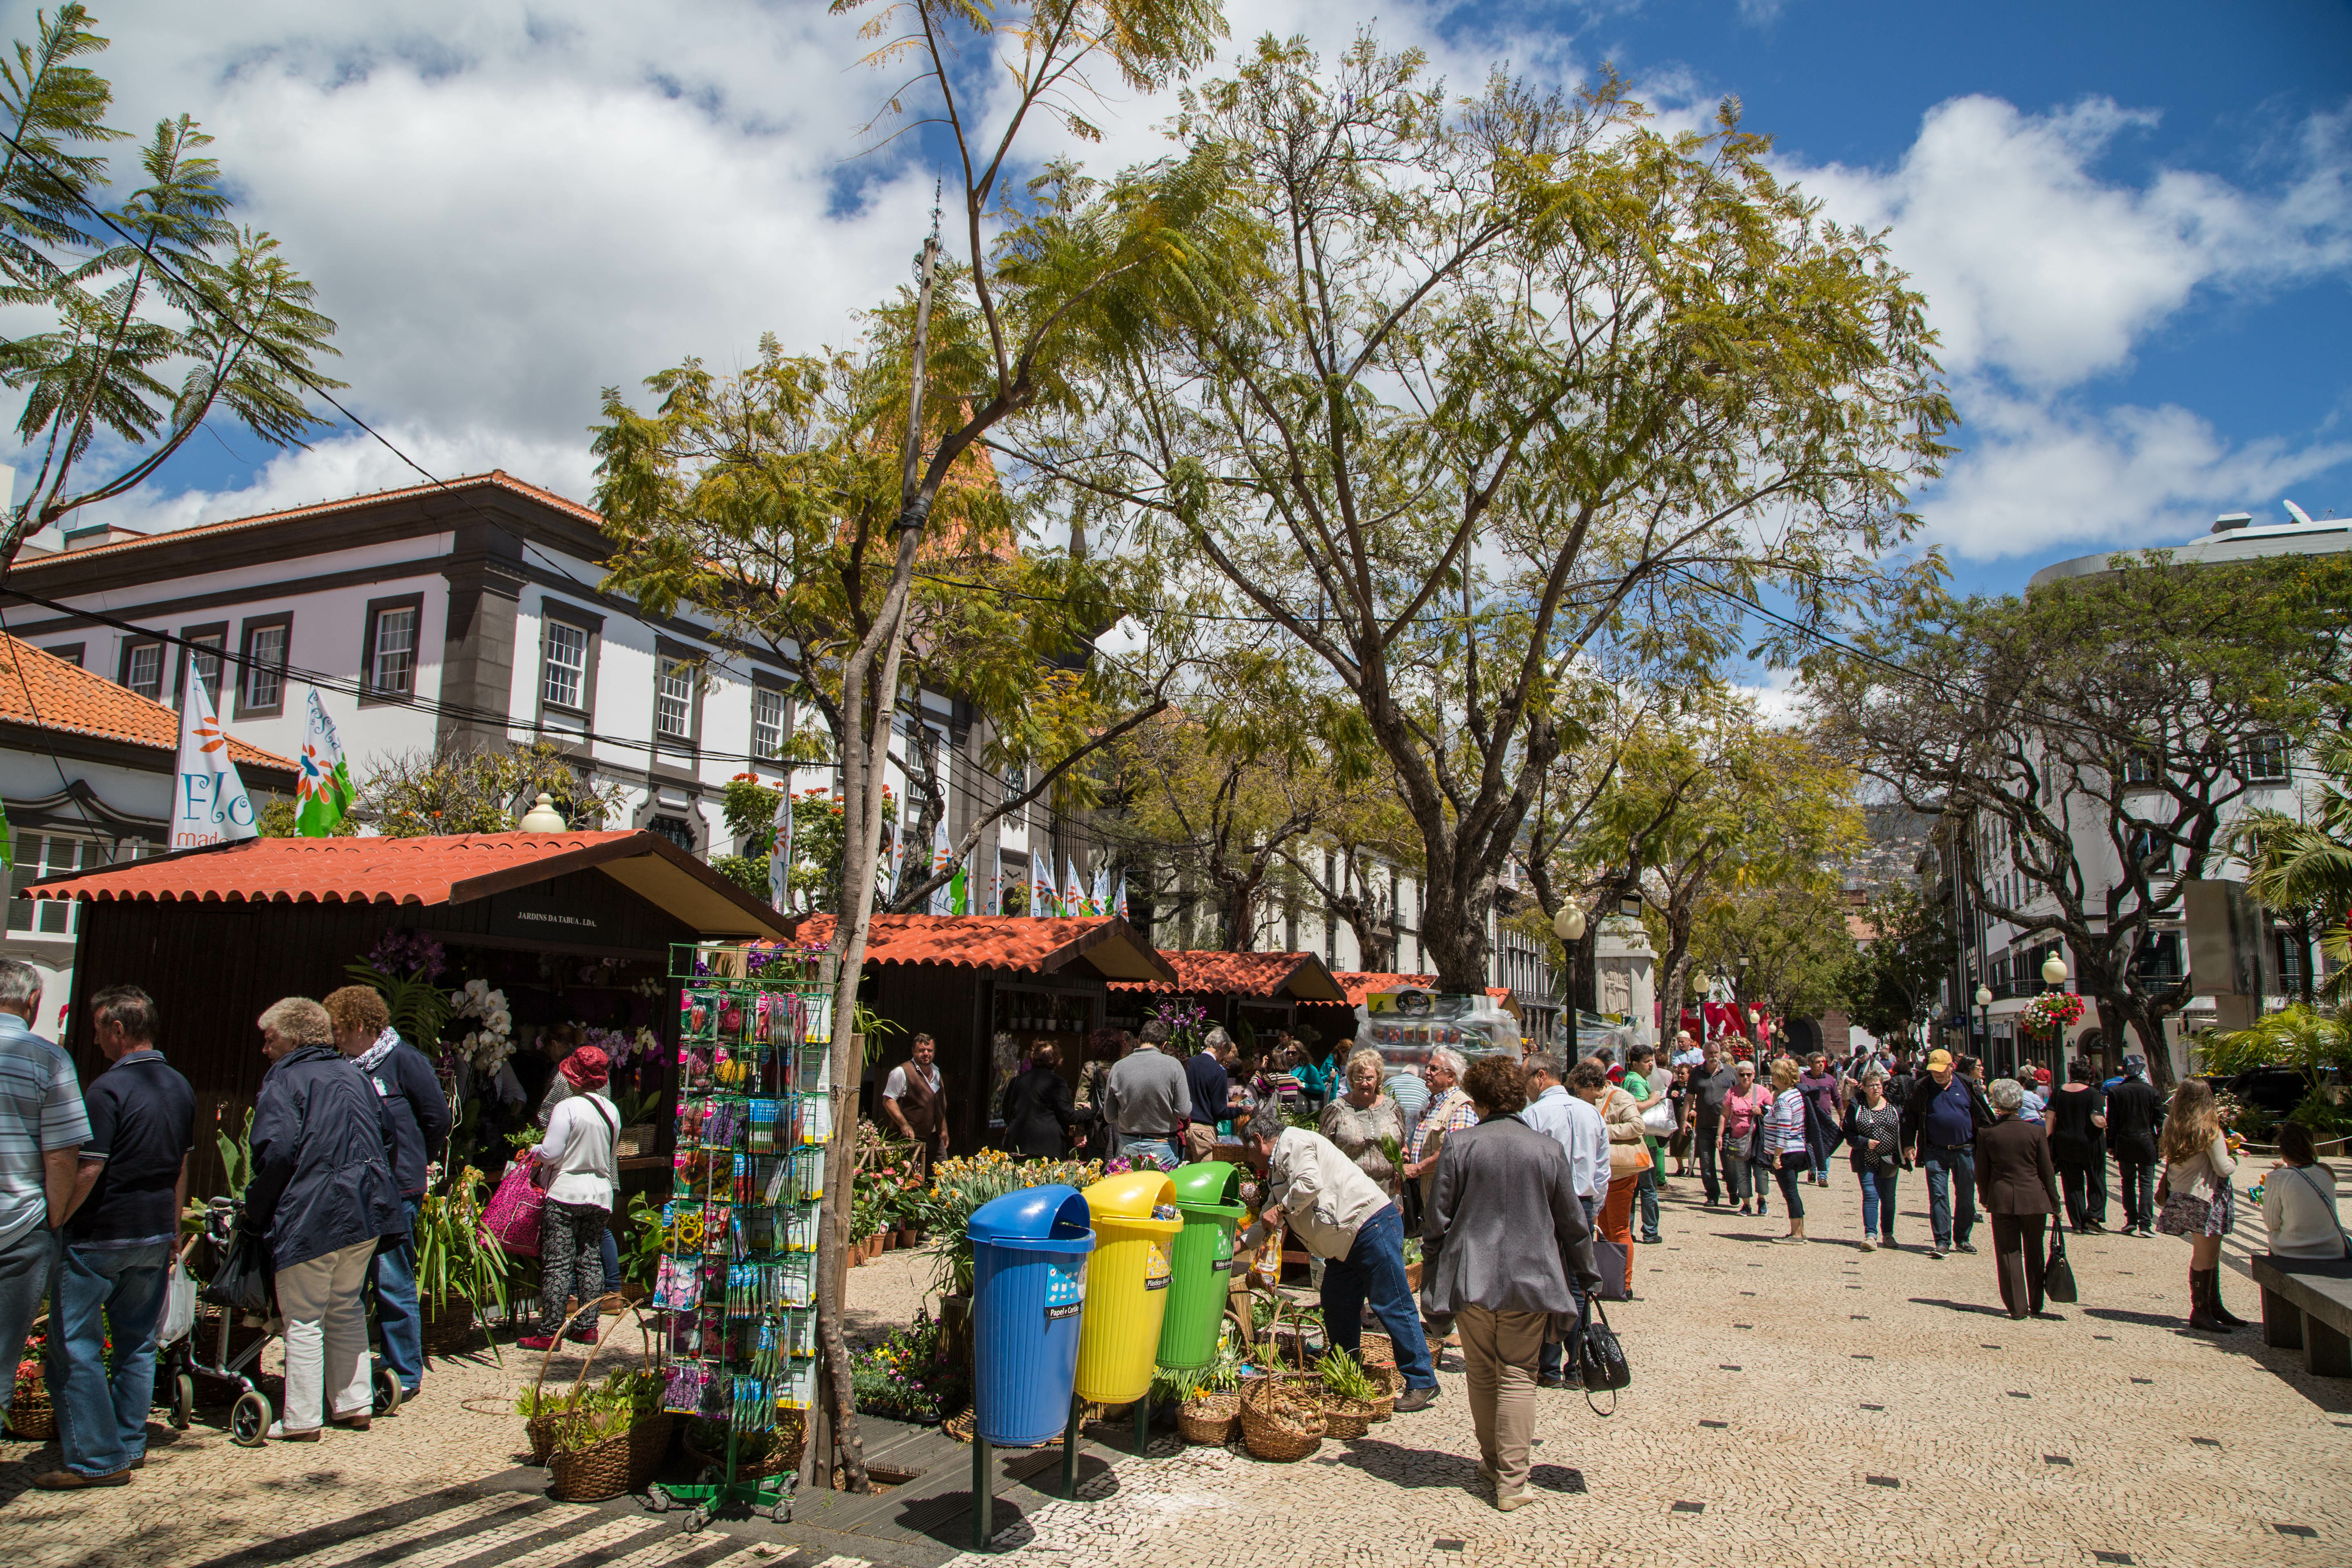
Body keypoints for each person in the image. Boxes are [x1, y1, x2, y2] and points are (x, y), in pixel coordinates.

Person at [1421, 1055, 1600, 1511]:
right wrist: (1587, 1274)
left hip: (1471, 1277)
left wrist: (1434, 1282)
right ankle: (1512, 1481)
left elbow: (1435, 1224)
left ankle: (1491, 1461)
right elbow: (1572, 1224)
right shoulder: (1546, 1150)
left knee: (1482, 1372)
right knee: (1519, 1374)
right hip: (1532, 1278)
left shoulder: (1461, 1147)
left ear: (1478, 1100)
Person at [35, 985, 193, 1489]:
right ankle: (129, 1442)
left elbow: (88, 1168)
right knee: (137, 1343)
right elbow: (179, 1168)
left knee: (74, 1347)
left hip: (100, 1235)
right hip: (153, 1232)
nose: (98, 1039)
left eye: (101, 1028)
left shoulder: (107, 1090)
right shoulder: (179, 1086)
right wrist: (172, 1228)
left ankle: (97, 1458)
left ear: (119, 1029)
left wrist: (56, 1218)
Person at [247, 997, 403, 1439]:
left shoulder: (286, 1081)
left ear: (294, 1039)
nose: (266, 1049)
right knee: (346, 1306)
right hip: (368, 1209)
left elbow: (275, 1153)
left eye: (270, 1038)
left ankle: (300, 1419)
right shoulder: (355, 1075)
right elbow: (388, 1136)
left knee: (304, 1316)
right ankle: (354, 1404)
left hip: (313, 1210)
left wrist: (256, 1212)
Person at [1236, 1090, 1438, 1413]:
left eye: (1249, 1152)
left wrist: (1282, 1211)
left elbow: (1309, 1184)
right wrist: (1241, 1245)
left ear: (1259, 1139)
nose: (1249, 1159)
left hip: (1369, 1226)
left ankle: (1422, 1380)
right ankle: (1347, 1368)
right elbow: (1269, 1216)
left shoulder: (1295, 1143)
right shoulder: (1277, 1168)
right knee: (1338, 1303)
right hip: (1345, 1242)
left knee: (1392, 1304)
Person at [323, 984, 450, 1405]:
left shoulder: (404, 1061)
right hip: (349, 1188)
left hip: (397, 1188)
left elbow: (437, 1118)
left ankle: (405, 1372)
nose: (334, 1036)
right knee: (348, 1284)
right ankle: (350, 1367)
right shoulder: (341, 1066)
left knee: (393, 1279)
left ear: (360, 1026)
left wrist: (419, 1161)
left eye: (339, 1028)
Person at [0, 958, 84, 1435]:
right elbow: (62, 1154)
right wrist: (54, 1219)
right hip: (18, 1226)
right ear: (34, 1003)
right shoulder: (48, 1057)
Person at [520, 1045, 619, 1351]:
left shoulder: (568, 1107)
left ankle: (549, 1332)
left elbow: (551, 1153)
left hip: (566, 1193)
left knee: (558, 1263)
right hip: (600, 1194)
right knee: (590, 1260)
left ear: (574, 1077)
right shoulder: (611, 1111)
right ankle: (587, 1327)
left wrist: (533, 1152)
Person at [1521, 1054, 1604, 1389]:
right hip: (1581, 1203)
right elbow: (1602, 1170)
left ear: (1541, 1076)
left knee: (1547, 1281)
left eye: (1526, 1079)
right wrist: (1593, 1210)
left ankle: (1550, 1365)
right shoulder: (1591, 1114)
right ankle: (1577, 1365)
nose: (1524, 1087)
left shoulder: (1533, 1115)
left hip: (1547, 1204)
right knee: (1577, 1283)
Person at [2158, 1078, 2245, 1333]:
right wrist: (2235, 1159)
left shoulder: (2171, 1124)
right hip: (2206, 1198)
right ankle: (2202, 1311)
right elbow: (2223, 1168)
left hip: (2182, 1194)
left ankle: (2213, 1306)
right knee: (2207, 1257)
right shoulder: (2210, 1129)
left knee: (2208, 1254)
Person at [1975, 1078, 2062, 1319]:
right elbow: (2047, 1171)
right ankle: (2036, 1303)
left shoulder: (1987, 1133)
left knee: (2008, 1252)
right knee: (2035, 1251)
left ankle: (2017, 1306)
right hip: (2034, 1198)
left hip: (2003, 1198)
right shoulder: (2036, 1132)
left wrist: (1985, 1196)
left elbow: (1982, 1172)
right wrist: (2055, 1203)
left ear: (1996, 1104)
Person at [1903, 1048, 1993, 1259]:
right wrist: (1908, 1144)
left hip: (1965, 1151)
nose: (1937, 1075)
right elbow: (1910, 1117)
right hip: (1935, 1151)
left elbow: (1982, 1115)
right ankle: (1942, 1242)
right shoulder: (1922, 1088)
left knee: (1965, 1197)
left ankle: (1962, 1238)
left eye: (1941, 1071)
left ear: (1951, 1067)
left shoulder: (1967, 1085)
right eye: (1934, 1071)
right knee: (1938, 1196)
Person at [1102, 1020, 1191, 1170]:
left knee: (1129, 1192)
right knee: (1159, 1193)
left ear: (1140, 1040)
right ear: (1164, 1045)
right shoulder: (1174, 1066)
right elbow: (1183, 1111)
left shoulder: (1119, 1067)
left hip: (1127, 1145)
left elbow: (1109, 1116)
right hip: (1162, 1146)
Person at [1321, 1046, 1407, 1201]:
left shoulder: (1393, 1109)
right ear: (1351, 1079)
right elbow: (1324, 1154)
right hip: (1348, 1195)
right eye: (1359, 1078)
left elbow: (1402, 1146)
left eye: (1369, 1078)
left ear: (1378, 1078)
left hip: (1387, 1195)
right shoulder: (1336, 1110)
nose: (1364, 1083)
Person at [1401, 1049, 1477, 1212]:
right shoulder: (1435, 1103)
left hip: (1445, 1200)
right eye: (1427, 1067)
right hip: (1427, 1195)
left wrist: (1417, 1169)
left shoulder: (1460, 1107)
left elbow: (1454, 1153)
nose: (1427, 1072)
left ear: (1451, 1077)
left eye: (1434, 1069)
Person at [1593, 1059, 1647, 1287]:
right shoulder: (1589, 1097)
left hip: (1620, 1172)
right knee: (1604, 1228)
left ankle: (1624, 1283)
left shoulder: (1620, 1096)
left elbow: (1637, 1126)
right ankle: (1610, 1280)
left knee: (1619, 1228)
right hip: (1602, 1173)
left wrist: (1604, 1130)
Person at [2262, 1123, 2346, 1259]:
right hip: (2332, 1250)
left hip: (2290, 1251)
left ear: (2283, 1150)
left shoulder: (2277, 1178)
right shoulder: (2326, 1172)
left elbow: (2272, 1223)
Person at [2046, 1058, 2109, 1234]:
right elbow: (2097, 1120)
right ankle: (2093, 1215)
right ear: (2089, 1076)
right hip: (2090, 1144)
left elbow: (2050, 1118)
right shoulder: (2092, 1094)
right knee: (2097, 1180)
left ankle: (2077, 1223)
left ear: (2071, 1075)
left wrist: (2048, 1139)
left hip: (2064, 1143)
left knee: (2072, 1184)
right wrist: (2105, 1123)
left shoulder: (2059, 1091)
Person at [1844, 1066, 1903, 1251]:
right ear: (1864, 1087)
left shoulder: (1894, 1105)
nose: (1875, 1089)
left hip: (1890, 1159)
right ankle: (1871, 1236)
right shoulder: (1857, 1106)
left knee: (1888, 1198)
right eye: (1871, 1086)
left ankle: (1888, 1234)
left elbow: (1905, 1129)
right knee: (1871, 1195)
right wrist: (1864, 1142)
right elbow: (1849, 1133)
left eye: (1878, 1085)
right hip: (1866, 1159)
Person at [2106, 1056, 2165, 1238]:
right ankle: (2145, 1224)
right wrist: (2161, 1143)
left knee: (2128, 1182)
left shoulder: (2116, 1092)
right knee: (2146, 1184)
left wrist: (2110, 1144)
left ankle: (2131, 1220)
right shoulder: (2152, 1092)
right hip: (2146, 1140)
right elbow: (2159, 1121)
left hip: (2124, 1141)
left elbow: (2112, 1122)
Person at [1000, 1040, 1080, 1157]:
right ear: (1057, 1061)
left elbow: (1007, 1113)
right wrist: (1087, 1112)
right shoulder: (1058, 1083)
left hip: (1018, 1145)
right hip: (1048, 1148)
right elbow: (1069, 1116)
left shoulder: (1017, 1081)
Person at [1623, 1043, 1669, 1242]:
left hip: (1637, 1141)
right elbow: (1636, 1106)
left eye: (1653, 1061)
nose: (1651, 1065)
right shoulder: (1636, 1083)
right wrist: (1654, 1099)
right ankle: (1651, 1232)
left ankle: (1628, 1231)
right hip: (1644, 1142)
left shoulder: (1634, 1079)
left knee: (1632, 1191)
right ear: (1635, 1064)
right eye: (1647, 1062)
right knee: (1648, 1189)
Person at [1762, 1058, 1811, 1243]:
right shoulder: (1796, 1095)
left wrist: (1777, 1156)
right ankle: (1800, 1230)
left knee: (1790, 1193)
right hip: (1798, 1148)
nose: (1772, 1078)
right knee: (1793, 1191)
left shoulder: (1783, 1100)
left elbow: (1784, 1129)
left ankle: (1796, 1233)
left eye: (1774, 1074)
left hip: (1787, 1151)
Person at [1685, 1041, 1739, 1207]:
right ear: (1704, 1055)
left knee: (1730, 1162)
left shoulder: (1730, 1072)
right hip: (1704, 1125)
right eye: (1710, 1053)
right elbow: (1689, 1097)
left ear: (1720, 1053)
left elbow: (1741, 1094)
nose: (1714, 1056)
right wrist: (1684, 1120)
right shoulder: (1696, 1073)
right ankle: (1712, 1195)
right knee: (1707, 1162)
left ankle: (1732, 1189)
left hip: (1728, 1126)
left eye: (1716, 1053)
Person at [881, 1033, 950, 1163]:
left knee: (942, 1175)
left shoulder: (936, 1072)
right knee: (911, 1179)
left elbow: (939, 1105)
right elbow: (889, 1101)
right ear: (913, 1051)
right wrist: (904, 1125)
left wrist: (943, 1129)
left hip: (934, 1138)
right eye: (921, 1051)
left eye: (929, 1050)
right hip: (911, 1138)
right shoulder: (902, 1072)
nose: (926, 1054)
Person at [1720, 1060, 1772, 1218]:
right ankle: (1746, 1204)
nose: (1745, 1077)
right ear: (1738, 1076)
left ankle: (1762, 1200)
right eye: (1742, 1074)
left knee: (1761, 1172)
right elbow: (1724, 1115)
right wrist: (1720, 1135)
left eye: (1748, 1074)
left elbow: (1773, 1112)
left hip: (1758, 1140)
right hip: (1738, 1139)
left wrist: (1762, 1111)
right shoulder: (1732, 1093)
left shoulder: (1762, 1092)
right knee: (1742, 1173)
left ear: (1754, 1075)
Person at [1184, 1028, 1233, 1163]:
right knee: (1205, 1175)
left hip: (1185, 1127)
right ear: (1223, 1047)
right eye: (1225, 1054)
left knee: (1184, 1174)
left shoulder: (1187, 1063)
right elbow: (1220, 1110)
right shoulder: (1218, 1070)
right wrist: (1240, 1110)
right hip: (1204, 1130)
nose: (1222, 1058)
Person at [1797, 1053, 1842, 1185]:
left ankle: (1823, 1175)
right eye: (1818, 1062)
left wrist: (1842, 1117)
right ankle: (1812, 1169)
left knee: (1825, 1146)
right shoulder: (1802, 1079)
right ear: (1810, 1065)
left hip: (1825, 1120)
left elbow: (1837, 1099)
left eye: (1823, 1062)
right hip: (1808, 1118)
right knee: (1809, 1145)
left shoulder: (1829, 1079)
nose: (1821, 1064)